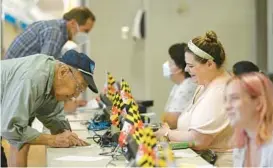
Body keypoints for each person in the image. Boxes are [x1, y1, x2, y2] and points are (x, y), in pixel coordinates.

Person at [1, 50, 98, 167]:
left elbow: (52, 115)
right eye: (78, 87)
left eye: (81, 91)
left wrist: (66, 134)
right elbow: (11, 128)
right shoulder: (33, 77)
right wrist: (52, 140)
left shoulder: (52, 79)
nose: (76, 95)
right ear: (63, 72)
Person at [155, 31, 233, 167]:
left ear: (209, 64)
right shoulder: (204, 85)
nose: (186, 69)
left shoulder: (220, 91)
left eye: (191, 66)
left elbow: (199, 140)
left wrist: (167, 133)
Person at [225, 72, 273, 167]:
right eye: (225, 99)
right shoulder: (241, 142)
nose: (227, 106)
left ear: (259, 103)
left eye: (234, 98)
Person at [162, 43, 197, 129]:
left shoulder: (187, 86)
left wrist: (164, 117)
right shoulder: (178, 85)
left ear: (180, 68)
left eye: (171, 62)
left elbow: (172, 120)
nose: (167, 65)